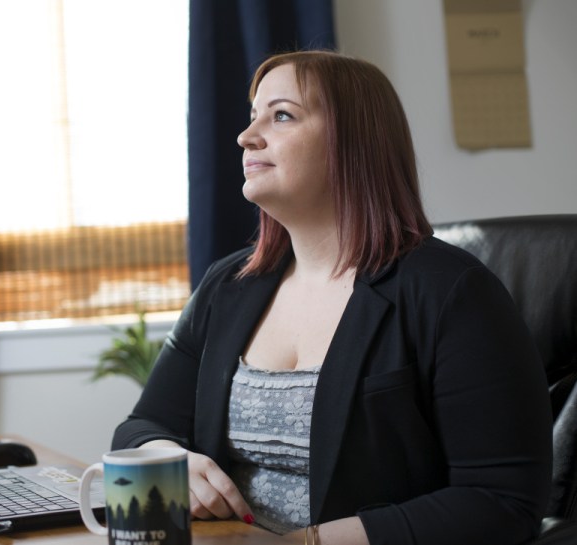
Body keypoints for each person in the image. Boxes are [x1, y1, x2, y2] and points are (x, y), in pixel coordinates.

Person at [112, 50, 552, 545]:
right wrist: (168, 458)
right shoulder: (227, 286)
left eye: (281, 115)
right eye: (251, 115)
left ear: (353, 142)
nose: (246, 136)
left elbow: (500, 500)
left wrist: (307, 542)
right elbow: (143, 426)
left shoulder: (452, 292)